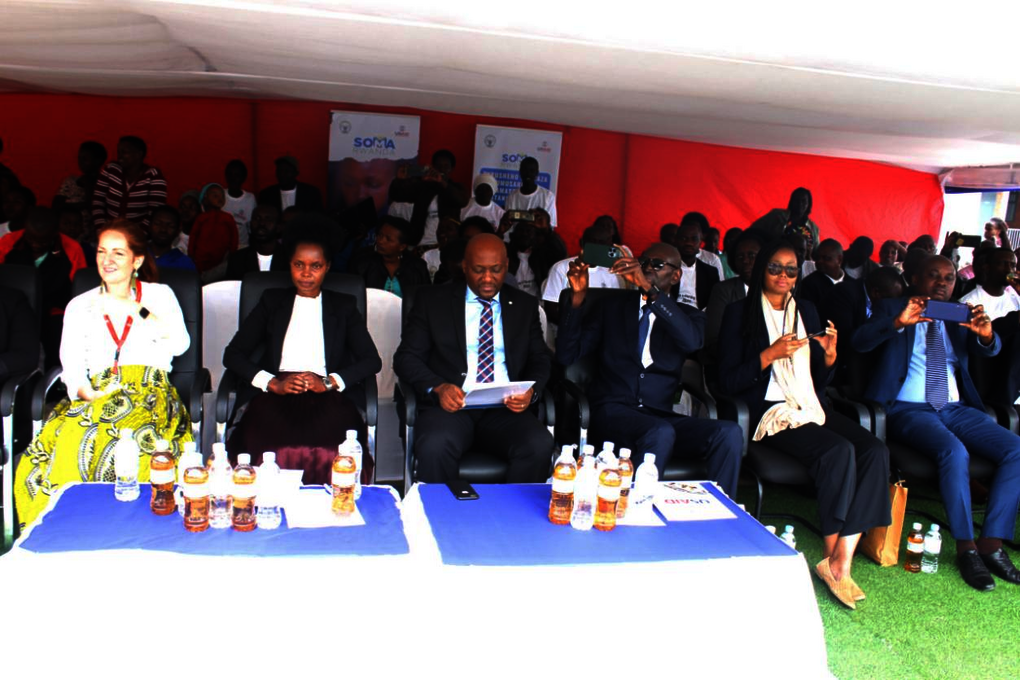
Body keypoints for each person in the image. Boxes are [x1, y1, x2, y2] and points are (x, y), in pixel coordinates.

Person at [719, 240, 891, 608]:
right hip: (770, 411)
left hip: (810, 404)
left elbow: (818, 381)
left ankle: (841, 558)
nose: (783, 275)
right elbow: (726, 381)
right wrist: (769, 355)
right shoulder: (739, 313)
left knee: (875, 450)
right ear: (761, 269)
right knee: (837, 450)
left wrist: (828, 358)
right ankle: (833, 559)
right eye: (775, 267)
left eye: (791, 269)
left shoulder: (807, 310)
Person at [852, 255, 1020, 591]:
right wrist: (898, 323)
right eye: (933, 275)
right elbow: (859, 342)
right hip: (907, 408)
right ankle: (966, 547)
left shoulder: (959, 312)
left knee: (1016, 450)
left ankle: (991, 543)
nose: (942, 283)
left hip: (955, 407)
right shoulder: (893, 307)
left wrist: (986, 336)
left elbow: (990, 350)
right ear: (914, 278)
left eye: (949, 277)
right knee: (953, 451)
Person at [14, 220, 193, 529]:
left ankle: (130, 529)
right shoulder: (80, 305)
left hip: (149, 392)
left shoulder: (160, 295)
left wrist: (135, 308)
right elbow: (71, 365)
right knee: (62, 447)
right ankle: (67, 532)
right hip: (96, 393)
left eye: (118, 253)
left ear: (137, 261)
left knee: (134, 444)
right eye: (101, 252)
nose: (107, 260)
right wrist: (87, 393)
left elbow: (179, 344)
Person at [556, 242, 742, 495]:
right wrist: (577, 298)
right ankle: (636, 508)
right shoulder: (611, 307)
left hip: (660, 416)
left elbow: (691, 342)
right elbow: (567, 355)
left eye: (657, 264)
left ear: (676, 276)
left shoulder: (688, 316)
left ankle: (721, 513)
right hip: (612, 411)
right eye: (643, 262)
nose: (647, 268)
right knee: (659, 432)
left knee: (729, 432)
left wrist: (649, 290)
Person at [223, 223, 382, 484]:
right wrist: (272, 383)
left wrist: (328, 382)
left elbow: (371, 360)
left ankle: (335, 505)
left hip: (328, 395)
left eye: (315, 266)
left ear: (327, 267)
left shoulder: (343, 306)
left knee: (332, 452)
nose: (306, 273)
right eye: (299, 265)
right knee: (266, 450)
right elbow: (233, 354)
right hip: (275, 394)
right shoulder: (272, 301)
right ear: (290, 265)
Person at [394, 233, 554, 483]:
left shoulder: (524, 305)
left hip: (505, 408)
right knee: (435, 444)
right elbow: (406, 358)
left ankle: (510, 510)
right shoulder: (432, 301)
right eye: (479, 270)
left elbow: (540, 358)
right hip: (451, 407)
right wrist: (439, 387)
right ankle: (442, 509)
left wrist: (530, 392)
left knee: (539, 444)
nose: (488, 278)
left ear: (507, 266)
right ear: (465, 266)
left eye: (496, 270)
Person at [0, 207, 87, 367]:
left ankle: (54, 378)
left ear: (55, 234)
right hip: (15, 307)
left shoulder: (72, 248)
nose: (35, 245)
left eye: (42, 241)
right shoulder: (8, 242)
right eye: (31, 239)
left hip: (55, 309)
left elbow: (80, 290)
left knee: (58, 343)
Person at [823, 266, 905, 392]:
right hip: (840, 369)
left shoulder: (878, 299)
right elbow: (845, 340)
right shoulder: (844, 294)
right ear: (876, 293)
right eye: (890, 299)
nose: (892, 305)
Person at [542, 221, 625, 326]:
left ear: (610, 246)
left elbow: (618, 308)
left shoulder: (614, 272)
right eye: (592, 242)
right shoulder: (561, 268)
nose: (597, 247)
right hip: (571, 328)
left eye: (602, 243)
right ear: (582, 243)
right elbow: (551, 310)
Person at [704, 229, 766, 362]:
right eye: (740, 257)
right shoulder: (723, 290)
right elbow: (713, 338)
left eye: (752, 255)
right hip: (733, 362)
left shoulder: (775, 290)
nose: (745, 261)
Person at [388, 149, 468, 248]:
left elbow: (462, 200)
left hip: (446, 243)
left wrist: (442, 182)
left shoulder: (456, 188)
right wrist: (399, 180)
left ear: (451, 169)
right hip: (420, 243)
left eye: (446, 166)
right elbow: (397, 195)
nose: (442, 170)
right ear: (433, 167)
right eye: (438, 166)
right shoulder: (423, 187)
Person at [91, 136, 167, 231]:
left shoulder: (153, 176)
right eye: (119, 152)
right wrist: (101, 229)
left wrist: (138, 235)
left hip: (139, 234)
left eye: (125, 152)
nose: (120, 156)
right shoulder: (111, 170)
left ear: (139, 154)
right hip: (109, 232)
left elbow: (155, 211)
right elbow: (97, 202)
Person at [348, 216, 429, 298]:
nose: (380, 241)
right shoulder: (362, 264)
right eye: (380, 235)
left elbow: (425, 299)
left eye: (388, 239)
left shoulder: (418, 267)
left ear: (402, 247)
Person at [53, 140, 107, 235]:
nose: (80, 162)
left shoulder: (105, 185)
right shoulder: (71, 181)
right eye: (79, 158)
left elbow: (94, 209)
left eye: (85, 159)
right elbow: (56, 206)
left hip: (92, 236)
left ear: (98, 161)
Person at [188, 183, 239, 277]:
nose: (220, 198)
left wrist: (232, 252)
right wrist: (191, 254)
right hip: (201, 257)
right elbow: (193, 236)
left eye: (222, 196)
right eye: (215, 196)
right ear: (206, 199)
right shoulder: (201, 218)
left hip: (221, 257)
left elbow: (234, 236)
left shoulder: (228, 217)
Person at [225, 204, 287, 279]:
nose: (261, 223)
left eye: (268, 220)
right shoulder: (237, 259)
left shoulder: (291, 259)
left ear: (279, 227)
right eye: (257, 219)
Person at [671, 219, 720, 309]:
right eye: (683, 238)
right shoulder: (666, 268)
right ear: (676, 241)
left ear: (701, 242)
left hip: (699, 315)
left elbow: (714, 303)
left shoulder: (710, 273)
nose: (688, 243)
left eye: (694, 239)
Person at [960, 247, 1020, 321]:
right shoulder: (968, 303)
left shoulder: (1015, 300)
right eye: (1003, 264)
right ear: (987, 267)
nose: (1009, 270)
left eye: (1013, 266)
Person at [750, 187, 820, 249]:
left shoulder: (813, 228)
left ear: (809, 204)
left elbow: (817, 250)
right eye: (796, 200)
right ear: (791, 201)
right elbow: (754, 229)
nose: (800, 204)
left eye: (803, 201)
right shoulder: (776, 216)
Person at [258, 155, 323, 214]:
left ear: (296, 173)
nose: (282, 174)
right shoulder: (266, 195)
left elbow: (317, 217)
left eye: (287, 171)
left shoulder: (311, 193)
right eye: (279, 171)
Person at [504, 157, 557, 228]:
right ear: (520, 172)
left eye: (532, 170)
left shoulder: (548, 196)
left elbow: (551, 227)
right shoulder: (512, 197)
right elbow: (508, 225)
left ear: (537, 173)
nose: (528, 174)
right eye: (525, 170)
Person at [797, 239, 845, 311]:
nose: (820, 261)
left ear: (839, 260)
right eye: (817, 257)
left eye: (826, 258)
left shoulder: (850, 282)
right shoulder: (809, 285)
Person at [677, 212, 725, 280]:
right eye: (684, 238)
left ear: (702, 236)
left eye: (694, 238)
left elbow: (719, 284)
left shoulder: (712, 259)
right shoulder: (670, 258)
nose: (689, 242)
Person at [223, 159, 257, 249]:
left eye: (237, 175)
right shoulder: (220, 195)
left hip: (242, 246)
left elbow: (252, 226)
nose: (233, 179)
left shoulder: (250, 198)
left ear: (243, 178)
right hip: (223, 246)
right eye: (230, 175)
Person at [149, 206, 196, 271]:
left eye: (170, 226)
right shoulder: (136, 255)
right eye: (158, 223)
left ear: (178, 231)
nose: (163, 229)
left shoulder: (185, 264)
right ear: (150, 226)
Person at [176, 190, 201, 254]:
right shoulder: (171, 237)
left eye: (192, 207)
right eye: (183, 207)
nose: (186, 210)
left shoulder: (205, 240)